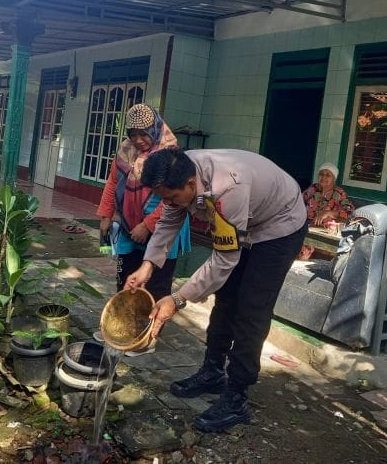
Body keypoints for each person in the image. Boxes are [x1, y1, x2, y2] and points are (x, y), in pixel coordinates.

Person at [124, 148, 307, 432]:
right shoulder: (179, 169)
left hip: (278, 226)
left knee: (251, 308)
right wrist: (147, 266)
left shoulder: (227, 188)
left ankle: (236, 396)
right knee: (226, 299)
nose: (169, 203)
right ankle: (212, 371)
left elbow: (224, 259)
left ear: (190, 185)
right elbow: (169, 221)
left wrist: (178, 298)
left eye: (172, 197)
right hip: (245, 221)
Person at [95, 103, 190, 356]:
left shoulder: (169, 152)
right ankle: (122, 327)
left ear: (155, 129)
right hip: (129, 221)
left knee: (157, 282)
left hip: (163, 224)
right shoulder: (125, 151)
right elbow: (113, 181)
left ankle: (148, 336)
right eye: (133, 134)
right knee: (127, 275)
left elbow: (172, 200)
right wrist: (105, 214)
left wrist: (148, 225)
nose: (138, 140)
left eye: (144, 134)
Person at [302, 162, 354, 227]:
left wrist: (328, 213)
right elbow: (298, 201)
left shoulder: (339, 193)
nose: (323, 177)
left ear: (334, 178)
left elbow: (349, 212)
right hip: (307, 225)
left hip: (326, 229)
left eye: (328, 175)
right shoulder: (313, 188)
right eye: (321, 174)